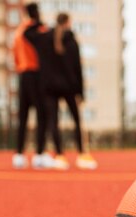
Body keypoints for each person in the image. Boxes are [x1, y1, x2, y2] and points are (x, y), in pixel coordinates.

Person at [25, 13, 98, 170]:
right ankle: (82, 154)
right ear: (68, 22)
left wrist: (37, 22)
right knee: (77, 121)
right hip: (69, 87)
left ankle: (59, 156)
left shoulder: (44, 38)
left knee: (53, 121)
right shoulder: (72, 41)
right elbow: (78, 69)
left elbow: (27, 34)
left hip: (49, 88)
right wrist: (81, 92)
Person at [12, 2, 53, 169]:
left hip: (22, 75)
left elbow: (15, 55)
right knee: (42, 114)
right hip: (35, 74)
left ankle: (19, 155)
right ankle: (39, 155)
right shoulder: (36, 30)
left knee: (23, 116)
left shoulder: (18, 31)